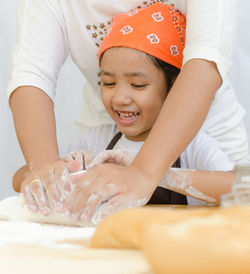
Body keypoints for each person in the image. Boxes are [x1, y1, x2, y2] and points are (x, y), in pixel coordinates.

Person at [8, 1, 248, 216]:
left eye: (138, 84)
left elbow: (241, 188)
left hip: (200, 220)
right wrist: (49, 175)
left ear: (173, 85)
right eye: (108, 82)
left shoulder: (197, 147)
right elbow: (31, 74)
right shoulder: (97, 142)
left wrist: (149, 173)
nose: (121, 98)